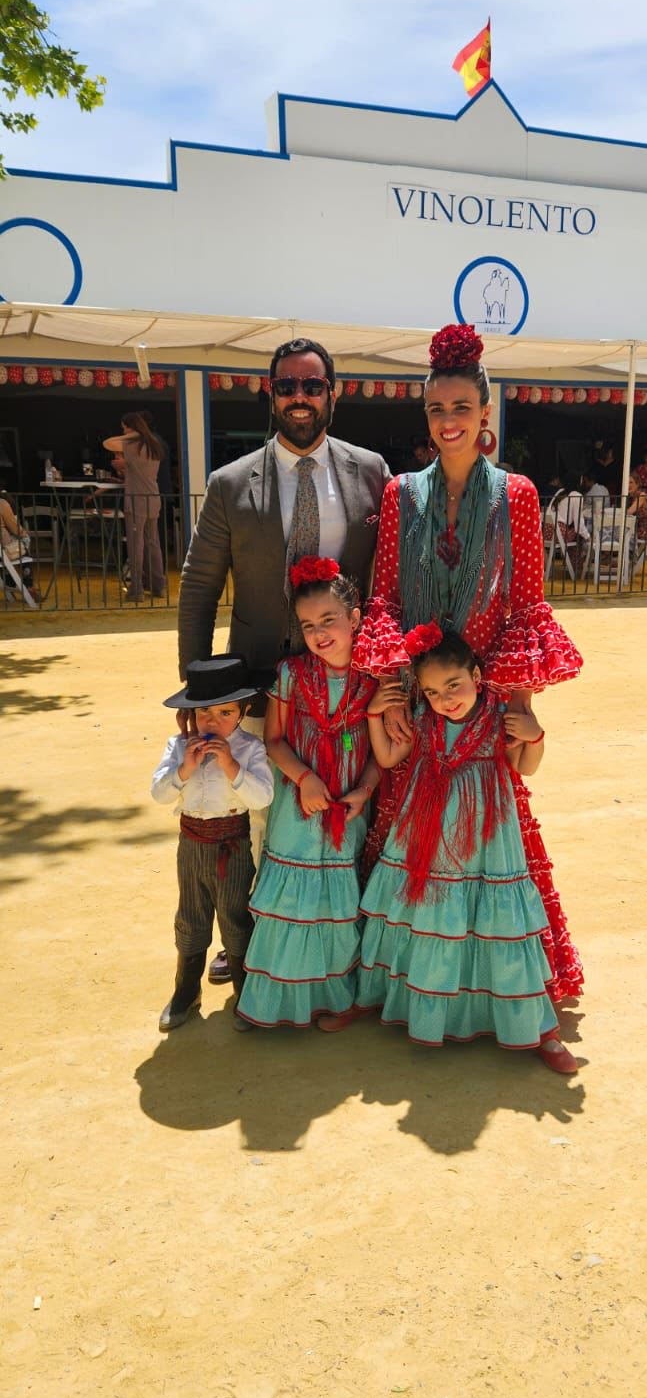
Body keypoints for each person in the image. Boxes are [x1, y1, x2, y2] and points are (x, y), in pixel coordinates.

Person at [369, 322, 584, 1002]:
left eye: (462, 407)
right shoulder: (400, 493)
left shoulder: (516, 494)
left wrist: (520, 707)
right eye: (436, 409)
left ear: (485, 413)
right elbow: (383, 596)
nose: (449, 421)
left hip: (485, 706)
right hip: (417, 699)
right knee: (411, 845)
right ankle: (410, 989)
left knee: (492, 851)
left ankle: (498, 993)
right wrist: (388, 692)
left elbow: (525, 604)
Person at [178, 336, 391, 981]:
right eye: (288, 386)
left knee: (346, 809)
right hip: (260, 685)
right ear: (271, 394)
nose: (300, 397)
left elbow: (384, 583)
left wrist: (388, 674)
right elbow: (198, 590)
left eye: (312, 385)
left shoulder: (371, 473)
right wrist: (197, 696)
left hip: (345, 689)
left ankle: (343, 939)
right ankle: (251, 940)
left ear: (334, 393)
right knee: (262, 814)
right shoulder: (229, 484)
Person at [357, 625, 578, 1071]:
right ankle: (400, 1002)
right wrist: (371, 717)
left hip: (487, 841)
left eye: (453, 685)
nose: (445, 698)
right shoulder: (422, 719)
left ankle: (535, 1027)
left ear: (477, 675)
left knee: (499, 925)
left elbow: (525, 768)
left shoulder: (500, 718)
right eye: (434, 691)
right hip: (426, 838)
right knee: (429, 920)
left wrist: (535, 736)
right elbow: (386, 759)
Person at [234, 557, 380, 1034]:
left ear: (355, 618)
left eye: (329, 621)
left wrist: (365, 790)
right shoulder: (291, 674)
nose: (319, 634)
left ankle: (335, 998)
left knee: (338, 905)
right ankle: (279, 999)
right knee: (293, 904)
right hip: (298, 809)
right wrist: (304, 779)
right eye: (308, 625)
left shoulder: (377, 677)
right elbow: (273, 740)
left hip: (348, 809)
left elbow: (387, 751)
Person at [151, 655, 274, 1031]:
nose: (213, 722)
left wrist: (232, 767)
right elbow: (159, 794)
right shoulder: (178, 747)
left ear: (243, 711)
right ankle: (186, 992)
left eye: (225, 713)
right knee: (190, 915)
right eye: (204, 713)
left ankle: (245, 992)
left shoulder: (250, 749)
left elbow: (263, 796)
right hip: (191, 844)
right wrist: (184, 768)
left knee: (235, 915)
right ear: (190, 714)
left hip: (232, 844)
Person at [103, 411, 166, 601]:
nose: (122, 431)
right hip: (153, 499)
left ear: (131, 428)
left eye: (124, 428)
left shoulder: (132, 445)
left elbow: (108, 443)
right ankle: (158, 585)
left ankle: (136, 589)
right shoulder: (154, 445)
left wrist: (132, 434)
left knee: (135, 544)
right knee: (153, 543)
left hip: (136, 500)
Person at [0, 491, 36, 601]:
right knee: (24, 548)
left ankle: (9, 583)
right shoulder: (2, 503)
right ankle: (28, 586)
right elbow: (14, 527)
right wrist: (24, 533)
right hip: (3, 550)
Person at [627, 471, 647, 543]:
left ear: (637, 484)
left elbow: (629, 512)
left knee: (620, 533)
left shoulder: (642, 496)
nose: (628, 485)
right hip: (639, 528)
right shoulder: (632, 498)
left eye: (631, 482)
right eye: (627, 482)